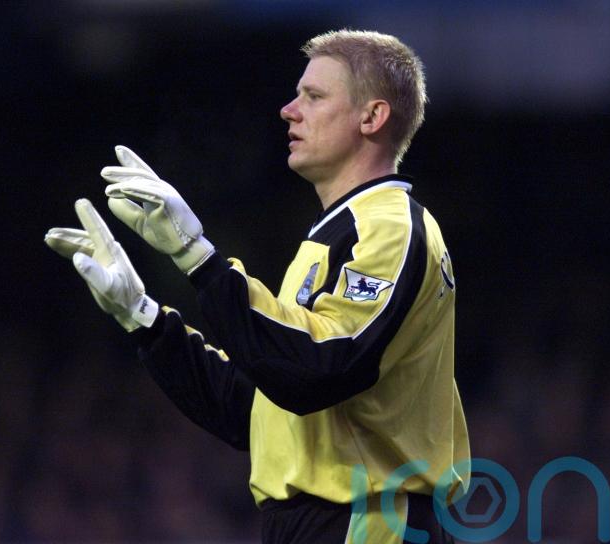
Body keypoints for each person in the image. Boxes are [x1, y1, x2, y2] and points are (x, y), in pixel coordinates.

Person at [46, 29, 470, 544]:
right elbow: (257, 411)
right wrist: (143, 318)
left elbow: (316, 370)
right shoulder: (338, 232)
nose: (290, 110)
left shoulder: (389, 226)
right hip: (316, 524)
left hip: (367, 522)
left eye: (314, 96)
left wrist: (196, 257)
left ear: (372, 117)